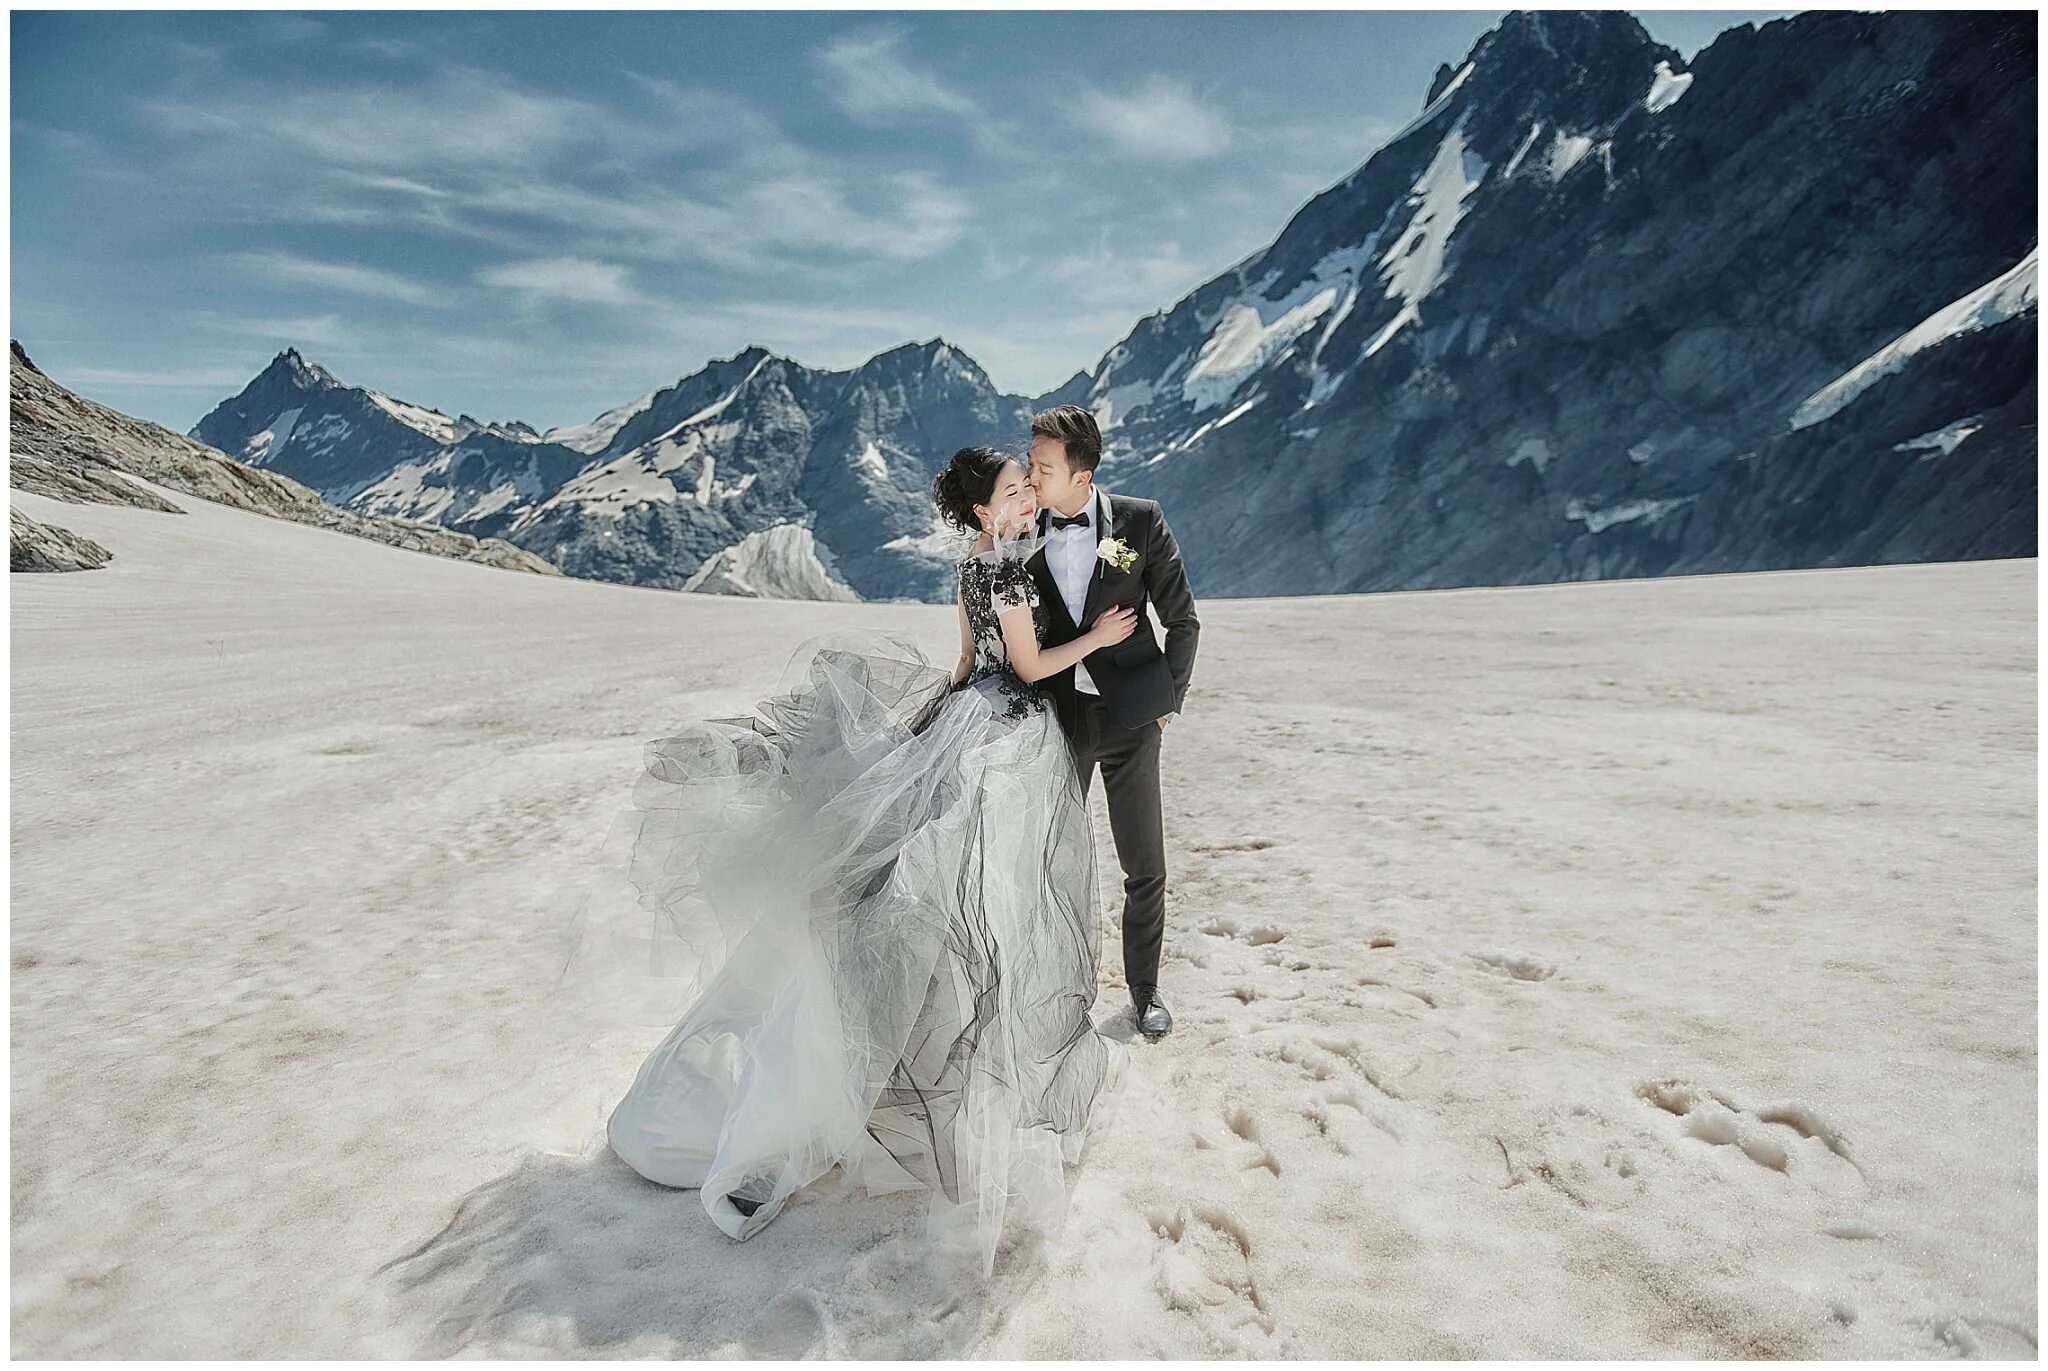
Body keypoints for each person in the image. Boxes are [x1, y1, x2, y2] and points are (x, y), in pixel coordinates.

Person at [598, 446, 1130, 1272]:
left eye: (1030, 487)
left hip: (967, 722)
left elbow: (961, 668)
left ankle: (892, 1073)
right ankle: (963, 1084)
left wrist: (923, 740)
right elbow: (1025, 667)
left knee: (944, 904)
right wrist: (1093, 639)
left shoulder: (971, 570)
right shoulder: (1013, 578)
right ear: (985, 510)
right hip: (1008, 741)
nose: (1028, 498)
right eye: (1016, 492)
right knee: (992, 913)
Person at [1024, 405, 1200, 1040]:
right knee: (1055, 863)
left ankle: (1146, 991)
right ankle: (1061, 992)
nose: (1030, 474)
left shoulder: (1141, 520)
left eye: (1043, 466)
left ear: (1082, 472)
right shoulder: (1025, 527)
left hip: (1132, 720)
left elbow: (1184, 622)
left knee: (1143, 863)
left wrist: (1164, 705)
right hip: (1058, 721)